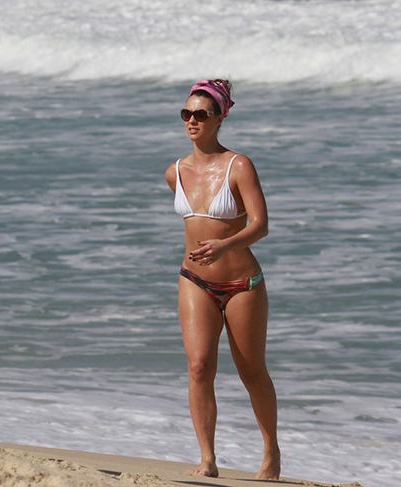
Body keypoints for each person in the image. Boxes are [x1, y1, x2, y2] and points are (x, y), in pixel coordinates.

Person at [165, 79, 280, 479]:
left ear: (220, 119)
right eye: (186, 114)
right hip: (194, 280)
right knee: (199, 367)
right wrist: (206, 253)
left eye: (201, 114)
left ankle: (270, 452)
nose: (192, 121)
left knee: (252, 372)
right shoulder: (174, 172)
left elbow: (261, 225)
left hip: (242, 284)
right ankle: (208, 459)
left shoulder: (239, 165)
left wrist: (224, 245)